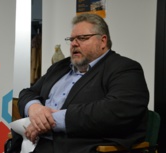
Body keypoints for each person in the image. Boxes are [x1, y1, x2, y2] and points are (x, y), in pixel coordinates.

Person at [14, 13, 149, 153]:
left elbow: (116, 110)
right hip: (32, 142)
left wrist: (49, 121)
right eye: (71, 39)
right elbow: (27, 93)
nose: (73, 44)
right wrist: (34, 108)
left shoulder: (124, 68)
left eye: (82, 38)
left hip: (74, 146)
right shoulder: (59, 67)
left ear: (103, 41)